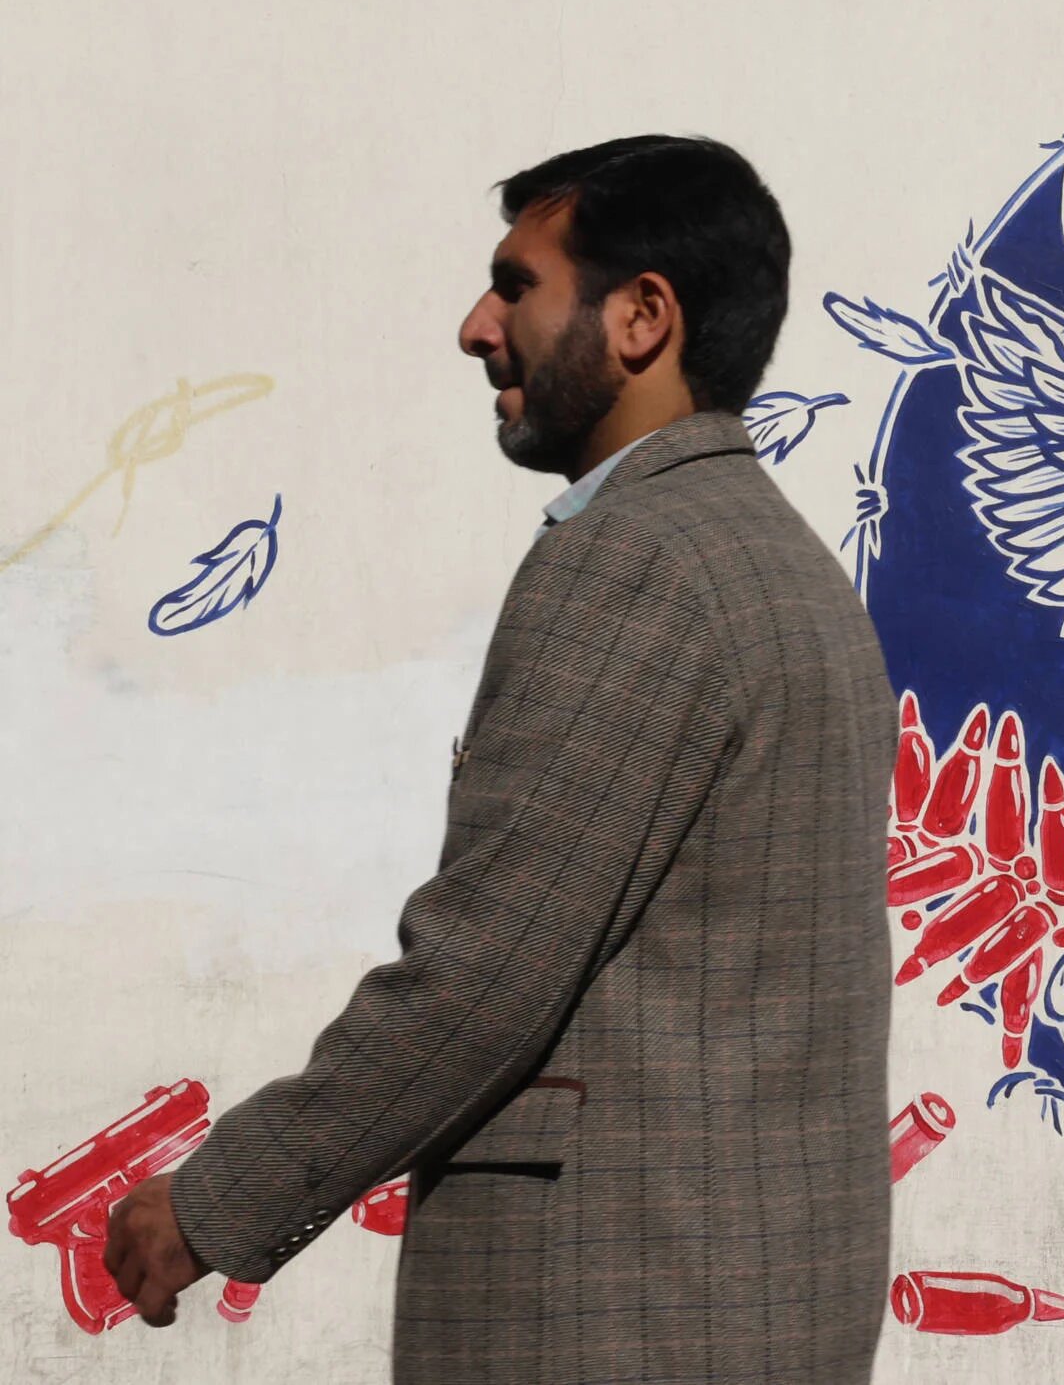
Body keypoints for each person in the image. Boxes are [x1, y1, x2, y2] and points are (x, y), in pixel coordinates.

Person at [100, 135, 897, 1383]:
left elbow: (485, 970)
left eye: (517, 285)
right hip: (744, 1305)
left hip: (607, 1314)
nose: (476, 326)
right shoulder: (781, 567)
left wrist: (218, 1203)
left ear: (643, 316)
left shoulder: (642, 561)